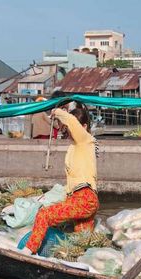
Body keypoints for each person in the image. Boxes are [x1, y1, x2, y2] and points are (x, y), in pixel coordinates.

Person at [25, 106, 99, 253]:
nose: (70, 130)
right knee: (81, 243)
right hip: (78, 198)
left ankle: (28, 251)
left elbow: (71, 121)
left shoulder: (85, 140)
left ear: (84, 127)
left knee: (44, 215)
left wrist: (57, 112)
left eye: (74, 127)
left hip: (85, 198)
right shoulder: (76, 147)